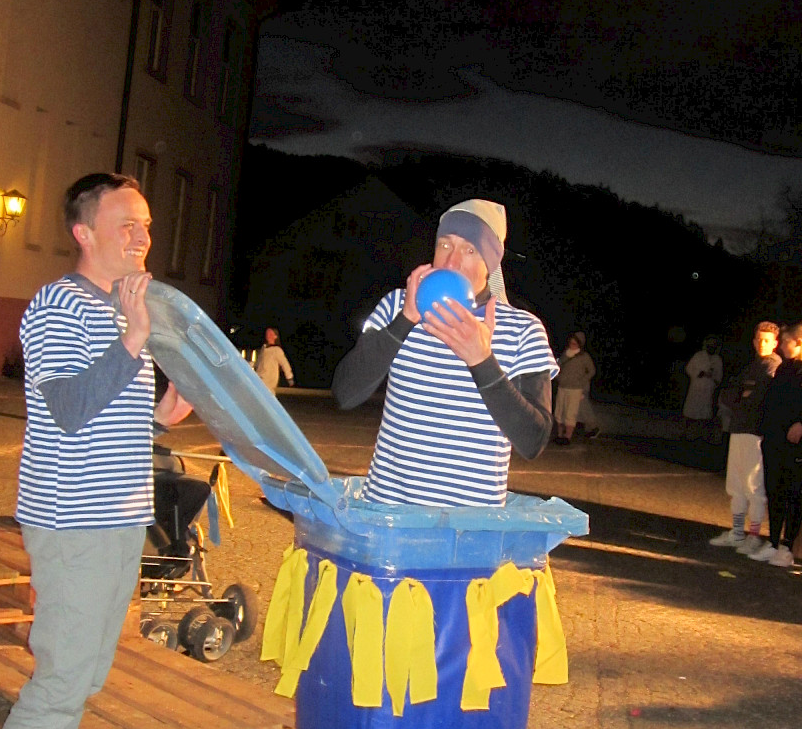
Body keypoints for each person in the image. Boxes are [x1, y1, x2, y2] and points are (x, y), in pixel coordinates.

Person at [0, 172, 193, 729]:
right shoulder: (57, 305)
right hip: (72, 523)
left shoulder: (124, 307)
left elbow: (109, 414)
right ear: (84, 232)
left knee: (82, 681)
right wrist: (135, 339)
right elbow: (66, 407)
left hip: (120, 518)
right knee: (59, 683)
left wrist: (162, 415)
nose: (141, 235)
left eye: (146, 223)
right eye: (126, 223)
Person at [330, 199, 557, 506]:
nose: (451, 262)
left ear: (490, 263)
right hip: (388, 514)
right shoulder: (397, 305)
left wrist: (482, 361)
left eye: (470, 250)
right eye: (445, 245)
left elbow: (533, 441)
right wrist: (405, 320)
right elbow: (345, 394)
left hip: (470, 526)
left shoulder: (523, 330)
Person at [750, 322, 802, 568]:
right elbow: (772, 400)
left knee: (792, 493)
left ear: (799, 342)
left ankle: (787, 546)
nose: (783, 347)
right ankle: (773, 541)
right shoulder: (786, 368)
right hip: (774, 440)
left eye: (786, 342)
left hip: (798, 447)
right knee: (774, 491)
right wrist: (764, 430)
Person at [711, 322, 779, 550]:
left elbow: (756, 398)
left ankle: (754, 536)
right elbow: (733, 394)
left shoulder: (773, 366)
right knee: (736, 484)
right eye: (759, 339)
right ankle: (738, 532)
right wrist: (742, 396)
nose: (762, 344)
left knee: (754, 486)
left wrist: (743, 396)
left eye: (767, 340)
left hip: (756, 432)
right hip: (739, 428)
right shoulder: (753, 365)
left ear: (775, 343)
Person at [553, 332, 597, 443]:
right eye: (571, 342)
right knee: (559, 412)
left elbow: (591, 371)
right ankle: (559, 435)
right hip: (562, 386)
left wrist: (581, 381)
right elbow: (558, 366)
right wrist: (558, 377)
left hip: (575, 389)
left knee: (570, 413)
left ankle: (567, 437)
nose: (572, 344)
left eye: (575, 342)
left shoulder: (584, 356)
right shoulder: (565, 354)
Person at [682, 336, 723, 437]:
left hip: (708, 389)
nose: (711, 347)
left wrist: (713, 377)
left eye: (713, 345)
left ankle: (702, 434)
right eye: (710, 345)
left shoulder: (717, 359)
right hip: (696, 387)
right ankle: (686, 432)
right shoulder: (698, 356)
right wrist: (699, 373)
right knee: (691, 410)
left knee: (705, 413)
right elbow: (689, 368)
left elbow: (719, 376)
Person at [255, 328, 294, 394]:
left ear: (275, 336)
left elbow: (284, 364)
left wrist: (289, 377)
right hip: (259, 377)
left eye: (270, 334)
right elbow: (258, 362)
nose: (268, 335)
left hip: (269, 380)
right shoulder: (264, 348)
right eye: (267, 334)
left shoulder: (277, 350)